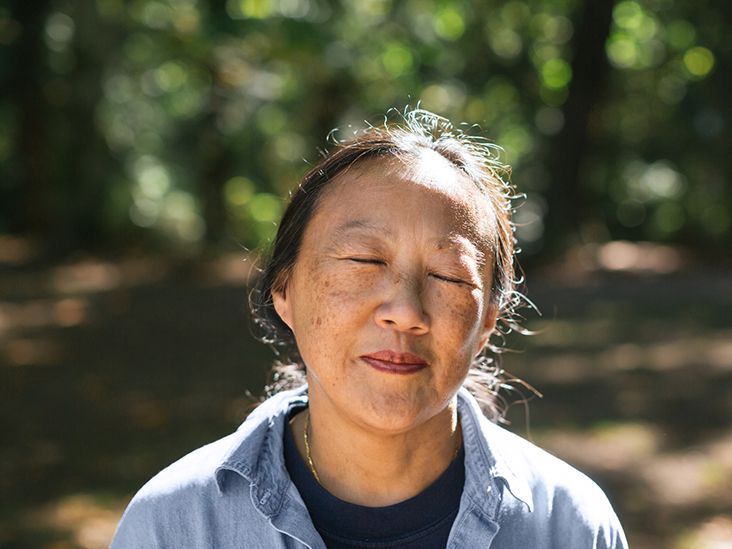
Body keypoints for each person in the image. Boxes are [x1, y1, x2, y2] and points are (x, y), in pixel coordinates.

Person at [111, 109, 628, 548]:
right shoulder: (175, 526)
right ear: (284, 290)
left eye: (448, 275)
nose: (405, 312)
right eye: (363, 261)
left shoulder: (570, 526)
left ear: (489, 319)